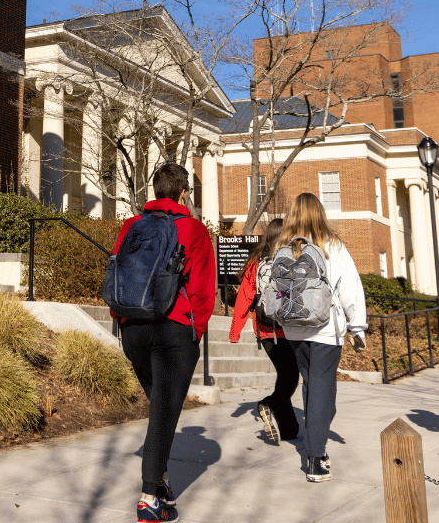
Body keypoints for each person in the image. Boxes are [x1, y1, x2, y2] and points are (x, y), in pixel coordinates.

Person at [111, 162, 216, 523]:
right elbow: (203, 292)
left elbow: (118, 274)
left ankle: (163, 483)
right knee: (165, 410)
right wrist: (194, 332)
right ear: (183, 192)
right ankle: (147, 498)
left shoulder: (131, 225)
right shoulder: (195, 230)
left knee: (161, 407)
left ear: (155, 191)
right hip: (174, 329)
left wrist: (121, 322)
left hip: (134, 328)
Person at [278, 192, 367, 483]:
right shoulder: (332, 245)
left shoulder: (285, 246)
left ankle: (315, 442)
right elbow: (349, 288)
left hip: (294, 327)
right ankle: (316, 458)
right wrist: (358, 327)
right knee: (322, 391)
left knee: (311, 385)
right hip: (325, 327)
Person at [229, 217, 300, 444]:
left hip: (265, 329)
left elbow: (244, 297)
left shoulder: (256, 262)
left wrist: (235, 331)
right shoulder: (292, 259)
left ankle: (289, 428)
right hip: (287, 329)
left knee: (285, 374)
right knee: (291, 376)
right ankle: (268, 404)